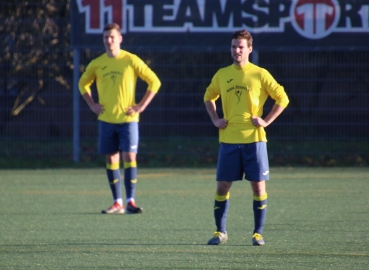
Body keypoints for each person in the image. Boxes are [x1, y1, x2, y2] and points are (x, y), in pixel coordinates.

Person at [204, 29, 289, 245]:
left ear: (250, 49)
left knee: (258, 186)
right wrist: (215, 119)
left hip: (255, 139)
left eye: (241, 47)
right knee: (222, 186)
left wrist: (266, 121)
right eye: (233, 46)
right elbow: (208, 97)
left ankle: (258, 233)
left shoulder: (260, 74)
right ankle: (220, 232)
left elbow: (282, 98)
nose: (236, 50)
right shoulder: (222, 74)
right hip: (229, 140)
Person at [78, 23, 161, 214]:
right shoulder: (97, 63)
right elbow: (82, 84)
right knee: (111, 157)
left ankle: (131, 200)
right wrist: (92, 105)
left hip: (128, 119)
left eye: (112, 37)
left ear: (120, 39)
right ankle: (117, 202)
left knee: (129, 157)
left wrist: (141, 106)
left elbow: (154, 81)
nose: (109, 40)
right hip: (106, 119)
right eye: (106, 37)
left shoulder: (130, 60)